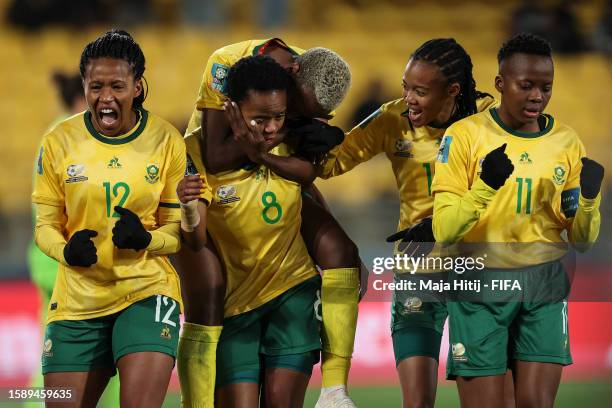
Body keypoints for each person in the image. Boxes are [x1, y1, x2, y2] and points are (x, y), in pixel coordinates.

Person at [176, 39, 360, 408]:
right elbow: (213, 157)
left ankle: (334, 390)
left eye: (287, 117)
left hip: (291, 291)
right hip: (235, 300)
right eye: (266, 118)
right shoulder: (224, 67)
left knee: (342, 251)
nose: (279, 126)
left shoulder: (305, 79)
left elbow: (306, 177)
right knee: (207, 285)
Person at [319, 38, 497, 407]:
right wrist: (309, 140)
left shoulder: (490, 121)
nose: (409, 98)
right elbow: (330, 163)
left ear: (453, 90)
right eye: (405, 88)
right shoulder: (392, 118)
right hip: (419, 269)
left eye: (420, 90)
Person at [431, 33, 604, 407]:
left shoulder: (567, 143)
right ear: (500, 84)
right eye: (526, 86)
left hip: (543, 284)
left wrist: (589, 201)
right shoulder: (464, 136)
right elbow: (443, 229)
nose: (537, 96)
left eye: (546, 87)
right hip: (478, 284)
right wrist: (486, 186)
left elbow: (583, 240)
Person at [32, 30, 186, 408]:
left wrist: (147, 240)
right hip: (77, 300)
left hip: (147, 291)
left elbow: (176, 231)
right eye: (95, 85)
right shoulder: (58, 141)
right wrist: (66, 252)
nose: (105, 97)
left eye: (117, 85)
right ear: (83, 85)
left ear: (137, 86)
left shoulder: (166, 140)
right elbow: (45, 225)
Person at [26, 71, 120, 408]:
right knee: (92, 355)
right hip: (71, 261)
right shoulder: (71, 135)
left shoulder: (56, 131)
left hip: (52, 259)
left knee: (58, 351)